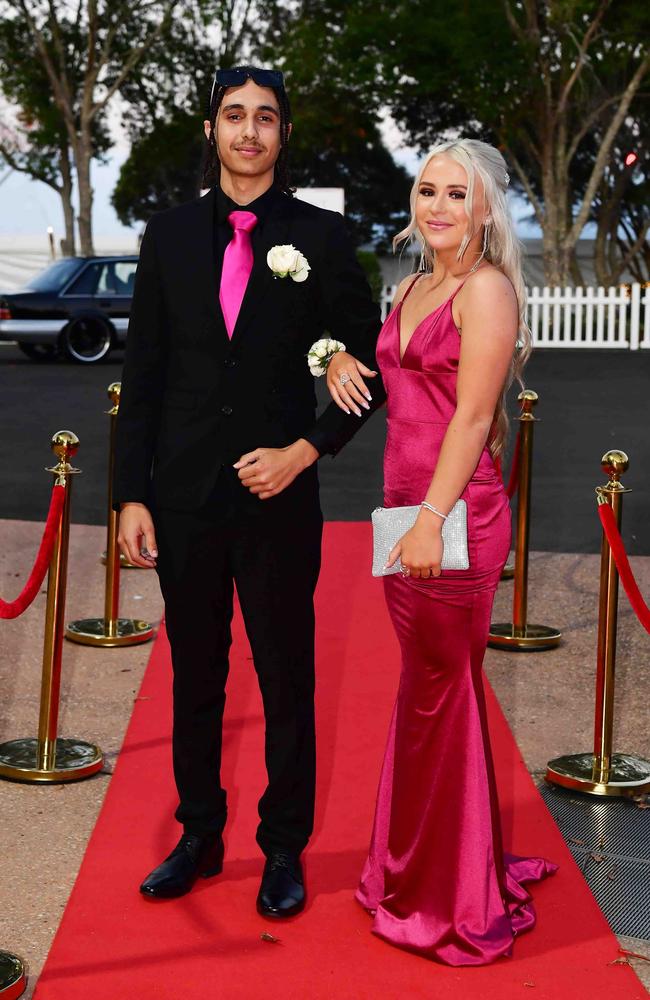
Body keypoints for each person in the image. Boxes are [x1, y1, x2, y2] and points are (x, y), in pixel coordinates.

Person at [113, 66, 383, 918]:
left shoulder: (323, 236)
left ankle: (282, 850)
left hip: (279, 499)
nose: (250, 132)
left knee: (284, 678)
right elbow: (144, 372)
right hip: (184, 497)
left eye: (266, 118)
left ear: (283, 135)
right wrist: (131, 494)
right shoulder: (169, 235)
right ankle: (198, 836)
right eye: (235, 116)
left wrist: (306, 449)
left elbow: (361, 360)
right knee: (195, 677)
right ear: (211, 129)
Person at [325, 139, 557, 964]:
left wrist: (431, 516)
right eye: (428, 191)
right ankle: (422, 865)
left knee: (441, 691)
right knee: (430, 688)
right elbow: (404, 383)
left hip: (451, 513)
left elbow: (469, 417)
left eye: (457, 194)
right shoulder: (418, 283)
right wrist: (345, 357)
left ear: (485, 209)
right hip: (406, 512)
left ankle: (449, 896)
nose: (438, 207)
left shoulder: (486, 290)